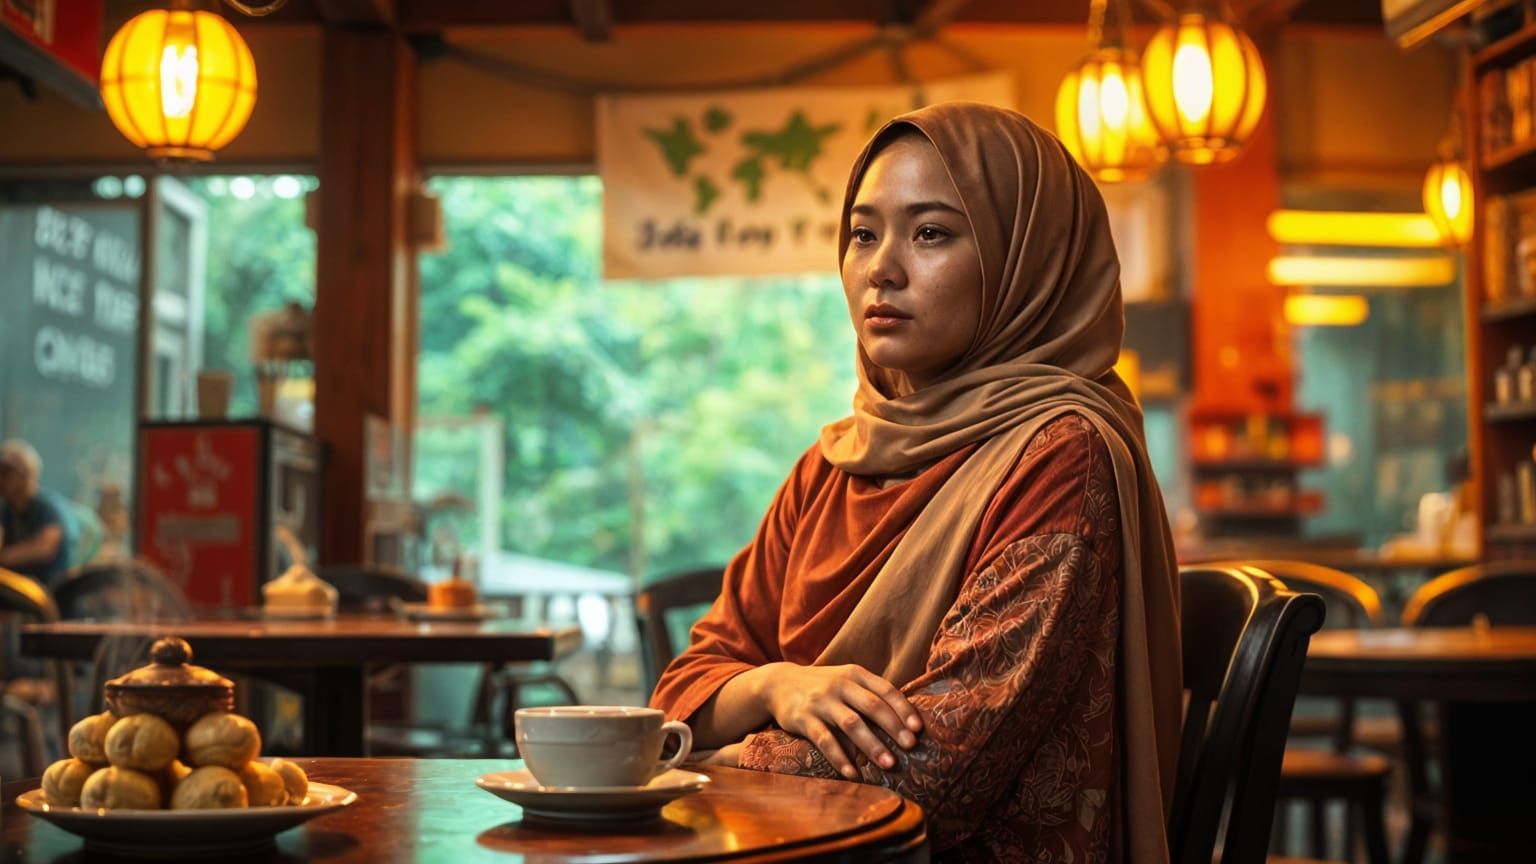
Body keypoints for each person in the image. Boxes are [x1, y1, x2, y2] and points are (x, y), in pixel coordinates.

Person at [649, 103, 1182, 862]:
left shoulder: (1058, 454)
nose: (881, 268)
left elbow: (930, 774)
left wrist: (705, 766)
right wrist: (775, 687)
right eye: (863, 234)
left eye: (930, 233)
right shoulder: (833, 464)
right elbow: (681, 692)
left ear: (1026, 259)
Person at [0, 439, 75, 586]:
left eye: (6, 472)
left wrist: (4, 557)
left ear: (25, 474)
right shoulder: (6, 509)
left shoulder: (49, 507)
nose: (1, 478)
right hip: (16, 588)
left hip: (47, 590)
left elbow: (45, 548)